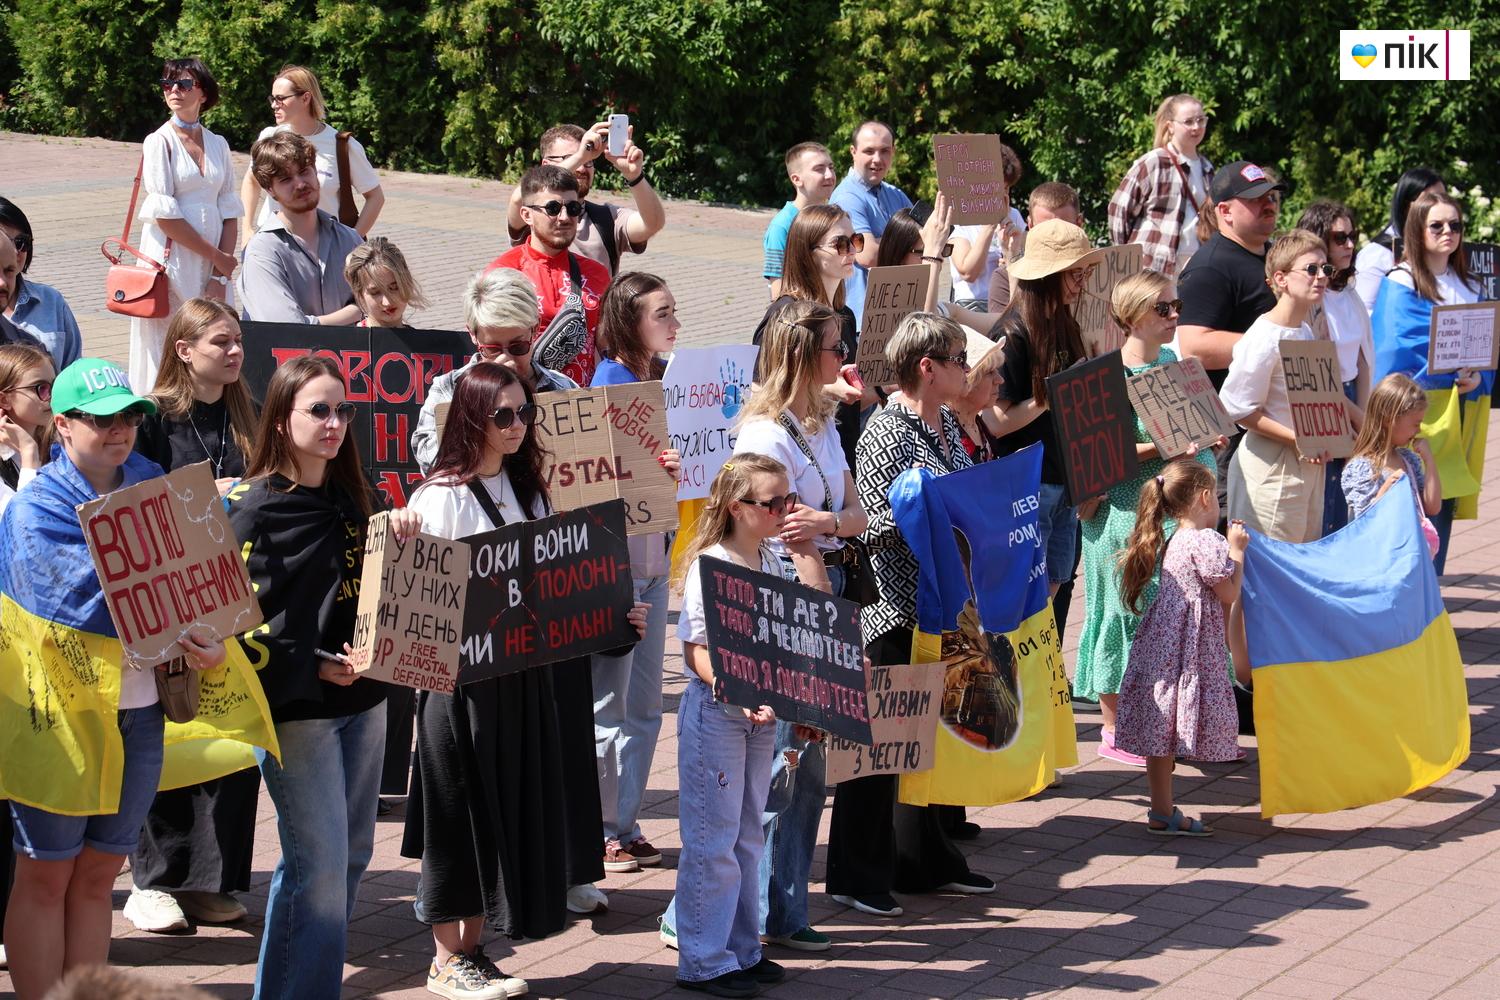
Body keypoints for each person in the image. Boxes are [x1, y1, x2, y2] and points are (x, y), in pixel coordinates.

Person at [402, 362, 644, 1000]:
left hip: (520, 682)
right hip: (461, 691)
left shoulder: (529, 490)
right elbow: (421, 604)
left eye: (524, 413)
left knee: (500, 818)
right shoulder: (440, 498)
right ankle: (445, 959)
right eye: (502, 415)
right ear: (471, 419)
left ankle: (473, 950)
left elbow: (551, 589)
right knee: (460, 820)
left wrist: (613, 618)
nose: (517, 425)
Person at [0, 358, 226, 999]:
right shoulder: (35, 508)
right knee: (46, 873)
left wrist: (209, 634)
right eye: (101, 419)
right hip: (59, 717)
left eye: (128, 415)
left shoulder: (156, 482)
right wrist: (177, 612)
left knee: (99, 874)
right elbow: (67, 606)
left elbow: (199, 582)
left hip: (142, 709)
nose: (119, 429)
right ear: (63, 425)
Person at [227, 356, 419, 999]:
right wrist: (311, 662)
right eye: (318, 410)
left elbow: (386, 587)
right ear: (282, 421)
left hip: (366, 701)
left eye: (343, 410)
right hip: (297, 712)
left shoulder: (360, 497)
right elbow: (234, 626)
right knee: (320, 868)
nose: (335, 423)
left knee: (350, 856)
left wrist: (402, 530)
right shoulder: (253, 510)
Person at [828, 313, 995, 920]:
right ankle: (854, 874)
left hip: (939, 604)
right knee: (875, 749)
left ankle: (921, 859)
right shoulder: (884, 431)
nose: (966, 369)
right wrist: (929, 517)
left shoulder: (945, 421)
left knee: (923, 745)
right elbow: (870, 525)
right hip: (891, 608)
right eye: (957, 359)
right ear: (927, 367)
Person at [728, 298, 868, 950]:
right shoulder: (767, 436)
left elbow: (857, 514)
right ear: (804, 355)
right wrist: (821, 537)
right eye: (837, 347)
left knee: (808, 762)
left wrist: (828, 522)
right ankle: (750, 910)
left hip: (824, 586)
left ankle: (785, 908)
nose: (846, 357)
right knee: (781, 760)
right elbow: (772, 536)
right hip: (790, 597)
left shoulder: (822, 422)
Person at [121, 298, 260, 934]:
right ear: (183, 350)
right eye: (220, 342)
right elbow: (132, 503)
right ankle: (153, 882)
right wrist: (201, 499)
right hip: (172, 596)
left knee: (228, 733)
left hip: (232, 595)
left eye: (237, 341)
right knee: (170, 731)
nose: (234, 352)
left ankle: (213, 879)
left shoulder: (246, 413)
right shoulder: (153, 420)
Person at [672, 454, 827, 997]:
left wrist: (804, 705)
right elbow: (694, 650)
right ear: (738, 508)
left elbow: (787, 643)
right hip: (718, 714)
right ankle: (703, 960)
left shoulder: (771, 560)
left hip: (759, 717)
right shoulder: (710, 565)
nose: (786, 510)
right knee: (712, 839)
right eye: (774, 502)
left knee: (746, 835)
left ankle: (741, 950)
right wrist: (734, 690)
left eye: (789, 498)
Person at [1073, 272, 1220, 768]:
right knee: (1122, 613)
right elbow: (1102, 451)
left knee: (1165, 618)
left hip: (1170, 513)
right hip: (1122, 512)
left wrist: (1209, 436)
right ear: (1132, 316)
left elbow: (1191, 430)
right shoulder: (1107, 375)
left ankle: (1161, 725)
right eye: (1163, 308)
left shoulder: (1174, 363)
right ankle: (1114, 729)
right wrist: (1168, 444)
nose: (1174, 315)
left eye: (1176, 306)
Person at [589, 272, 683, 874]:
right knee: (610, 704)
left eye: (673, 311)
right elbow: (595, 480)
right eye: (662, 314)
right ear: (630, 322)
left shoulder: (661, 380)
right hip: (618, 566)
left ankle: (625, 821)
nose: (675, 323)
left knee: (645, 707)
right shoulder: (610, 384)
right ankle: (600, 830)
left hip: (653, 562)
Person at [1115, 458, 1247, 836]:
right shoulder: (1207, 541)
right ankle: (1163, 812)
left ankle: (1161, 810)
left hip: (1164, 643)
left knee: (1161, 728)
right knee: (1170, 722)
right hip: (1188, 648)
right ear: (1205, 497)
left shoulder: (1174, 538)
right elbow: (1229, 592)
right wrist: (1237, 550)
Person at [986, 219, 1105, 598]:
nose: (1082, 282)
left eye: (1085, 272)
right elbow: (996, 421)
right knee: (1026, 595)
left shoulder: (1064, 322)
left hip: (1062, 480)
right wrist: (1053, 394)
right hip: (1028, 484)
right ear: (1049, 275)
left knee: (1054, 586)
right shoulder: (1011, 333)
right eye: (1075, 273)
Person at [1370, 191, 1486, 573]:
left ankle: (1433, 587)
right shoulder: (1400, 282)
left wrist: (1475, 376)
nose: (1447, 231)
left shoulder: (1470, 285)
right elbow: (1392, 351)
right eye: (1437, 225)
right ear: (1417, 230)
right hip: (1412, 413)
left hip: (1458, 410)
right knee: (1407, 498)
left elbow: (1483, 347)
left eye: (1455, 224)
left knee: (1441, 497)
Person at [1175, 160, 1284, 520]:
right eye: (1255, 199)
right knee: (1231, 535)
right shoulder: (1211, 266)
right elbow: (1194, 346)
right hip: (1231, 437)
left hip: (1272, 426)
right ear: (1225, 211)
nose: (1268, 204)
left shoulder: (1273, 257)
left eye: (1271, 196)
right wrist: (1275, 345)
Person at [129, 58, 242, 392]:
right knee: (167, 343)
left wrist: (220, 274)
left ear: (203, 93)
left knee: (215, 336)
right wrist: (217, 257)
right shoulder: (158, 141)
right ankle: (160, 413)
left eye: (184, 84)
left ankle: (212, 405)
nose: (174, 90)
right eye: (167, 84)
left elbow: (230, 210)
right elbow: (165, 217)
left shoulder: (218, 144)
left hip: (212, 264)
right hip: (171, 261)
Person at [1220, 230, 1337, 543]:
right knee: (1270, 564)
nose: (1321, 276)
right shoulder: (1264, 337)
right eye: (1311, 269)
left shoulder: (1305, 331)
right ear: (1281, 279)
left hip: (1308, 465)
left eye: (1325, 268)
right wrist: (1296, 439)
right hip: (1270, 469)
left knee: (1302, 560)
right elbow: (1237, 408)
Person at [412, 268, 577, 474]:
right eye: (493, 349)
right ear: (473, 335)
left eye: (518, 347)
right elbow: (428, 459)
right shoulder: (448, 389)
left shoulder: (563, 388)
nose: (505, 359)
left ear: (534, 330)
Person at [752, 204, 866, 467]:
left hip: (840, 453)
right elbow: (759, 389)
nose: (851, 250)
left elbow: (851, 388)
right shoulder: (785, 315)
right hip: (798, 458)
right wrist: (824, 387)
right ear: (809, 252)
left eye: (855, 240)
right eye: (840, 244)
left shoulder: (845, 314)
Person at [486, 165, 611, 387]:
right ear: (527, 215)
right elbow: (488, 349)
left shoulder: (597, 274)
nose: (564, 217)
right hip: (522, 402)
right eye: (553, 208)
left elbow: (609, 347)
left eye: (573, 208)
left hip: (582, 402)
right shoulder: (503, 274)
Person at [1297, 200, 1376, 536]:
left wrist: (1363, 416)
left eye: (1352, 236)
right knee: (1324, 505)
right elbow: (1315, 370)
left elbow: (1362, 359)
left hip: (1352, 396)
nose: (1349, 244)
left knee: (1346, 503)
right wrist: (1356, 421)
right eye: (1339, 237)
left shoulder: (1349, 293)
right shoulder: (1311, 299)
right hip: (1323, 402)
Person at [240, 65, 385, 239]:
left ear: (305, 98)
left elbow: (375, 197)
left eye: (280, 98)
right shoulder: (270, 137)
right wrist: (247, 228)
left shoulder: (342, 145)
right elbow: (251, 180)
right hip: (273, 243)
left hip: (324, 247)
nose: (273, 105)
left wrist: (351, 240)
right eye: (272, 98)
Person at [237, 131, 364, 326]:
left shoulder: (349, 239)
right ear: (270, 190)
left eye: (304, 171)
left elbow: (381, 302)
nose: (300, 184)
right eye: (286, 179)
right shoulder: (262, 251)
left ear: (315, 170)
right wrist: (356, 312)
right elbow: (287, 328)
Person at [505, 122, 666, 275]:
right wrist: (581, 156)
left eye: (589, 161)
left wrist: (634, 176)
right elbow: (518, 198)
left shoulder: (607, 218)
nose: (582, 167)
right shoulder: (534, 212)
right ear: (546, 165)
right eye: (571, 158)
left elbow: (653, 224)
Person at [1108, 94, 1215, 278]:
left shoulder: (1207, 168)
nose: (1196, 127)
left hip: (1196, 264)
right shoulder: (1154, 162)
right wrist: (1125, 257)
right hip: (1154, 265)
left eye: (1200, 120)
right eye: (1188, 122)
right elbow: (1119, 210)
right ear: (1170, 126)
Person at [1342, 374, 1442, 549]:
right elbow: (1364, 522)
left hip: (1409, 553)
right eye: (1416, 424)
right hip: (1381, 556)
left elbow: (1432, 507)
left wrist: (1429, 460)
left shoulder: (1409, 460)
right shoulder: (1362, 467)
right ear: (1389, 419)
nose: (1419, 430)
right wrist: (1386, 488)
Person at [830, 121, 913, 329]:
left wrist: (881, 241)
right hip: (862, 321)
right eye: (869, 151)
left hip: (898, 314)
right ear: (853, 152)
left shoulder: (895, 194)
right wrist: (905, 242)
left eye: (885, 151)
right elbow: (869, 255)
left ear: (893, 152)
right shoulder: (847, 197)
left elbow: (928, 243)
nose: (877, 159)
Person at [879, 200, 999, 335]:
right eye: (925, 251)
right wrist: (932, 256)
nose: (940, 259)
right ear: (899, 254)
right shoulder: (880, 312)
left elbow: (1001, 323)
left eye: (942, 250)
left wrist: (1013, 255)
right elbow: (924, 330)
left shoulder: (942, 310)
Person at [0, 198, 82, 369]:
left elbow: (73, 368)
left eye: (22, 242)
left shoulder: (51, 300)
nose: (16, 251)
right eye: (5, 241)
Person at [947, 142, 1025, 310]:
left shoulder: (1014, 216)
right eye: (995, 189)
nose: (1002, 195)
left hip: (1008, 303)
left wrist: (1012, 257)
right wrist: (989, 226)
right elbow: (968, 273)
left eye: (1006, 188)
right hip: (972, 309)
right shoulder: (960, 218)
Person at [1355, 167, 1445, 312]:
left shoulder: (1441, 248)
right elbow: (1363, 312)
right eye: (1430, 200)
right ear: (1406, 205)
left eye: (1444, 199)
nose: (1440, 207)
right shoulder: (1378, 254)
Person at [986, 181, 1081, 316]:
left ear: (1079, 223)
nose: (1055, 239)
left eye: (1063, 228)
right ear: (1030, 225)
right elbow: (1007, 327)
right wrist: (1012, 261)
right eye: (1044, 230)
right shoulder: (1004, 278)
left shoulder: (1090, 271)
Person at [764, 142, 838, 297]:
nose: (829, 175)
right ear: (797, 179)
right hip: (804, 310)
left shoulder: (835, 218)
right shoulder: (782, 226)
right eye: (819, 169)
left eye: (831, 168)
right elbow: (778, 290)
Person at [0, 343, 54, 514]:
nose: (51, 396)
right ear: (4, 400)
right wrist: (28, 452)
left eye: (54, 386)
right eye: (41, 388)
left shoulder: (58, 439)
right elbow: (24, 519)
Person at [344, 236, 429, 328]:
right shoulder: (350, 337)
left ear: (407, 282)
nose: (387, 302)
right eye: (375, 292)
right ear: (359, 295)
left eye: (394, 288)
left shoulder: (420, 337)